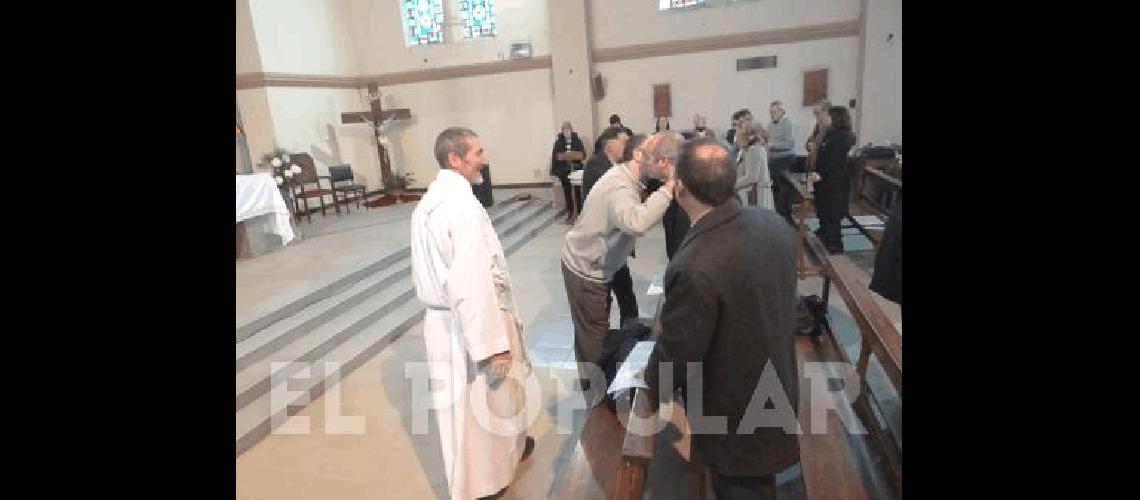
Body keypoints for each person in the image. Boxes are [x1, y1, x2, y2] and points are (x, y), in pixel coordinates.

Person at [645, 138, 801, 500]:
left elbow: (680, 349)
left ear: (679, 187)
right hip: (777, 381)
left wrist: (649, 389)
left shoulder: (695, 262)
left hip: (734, 408)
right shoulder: (773, 224)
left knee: (742, 488)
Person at [410, 127, 535, 500]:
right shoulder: (459, 207)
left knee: (484, 403)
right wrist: (490, 345)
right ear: (455, 159)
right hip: (465, 323)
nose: (485, 158)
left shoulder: (433, 201)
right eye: (477, 152)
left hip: (451, 318)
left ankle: (508, 454)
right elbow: (469, 282)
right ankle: (481, 486)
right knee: (474, 408)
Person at [562, 131, 681, 396]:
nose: (662, 162)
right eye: (656, 155)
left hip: (599, 265)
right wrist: (669, 187)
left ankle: (597, 382)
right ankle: (595, 398)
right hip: (585, 269)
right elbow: (635, 222)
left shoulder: (633, 178)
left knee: (595, 329)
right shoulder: (619, 184)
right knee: (593, 337)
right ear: (639, 155)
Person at [812, 106, 857, 254]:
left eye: (830, 116)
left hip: (834, 182)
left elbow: (834, 161)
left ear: (837, 118)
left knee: (832, 213)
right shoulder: (830, 133)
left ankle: (835, 245)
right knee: (823, 209)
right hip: (823, 180)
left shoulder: (844, 136)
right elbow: (822, 153)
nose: (827, 118)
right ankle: (825, 234)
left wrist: (821, 174)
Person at [766, 100, 796, 226]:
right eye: (771, 112)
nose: (772, 115)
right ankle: (777, 216)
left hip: (785, 160)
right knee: (775, 190)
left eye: (774, 112)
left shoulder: (787, 124)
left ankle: (786, 218)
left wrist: (773, 145)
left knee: (784, 190)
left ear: (782, 112)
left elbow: (789, 144)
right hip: (773, 161)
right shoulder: (770, 125)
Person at [551, 121, 586, 223]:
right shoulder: (558, 142)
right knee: (567, 193)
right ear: (562, 131)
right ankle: (570, 212)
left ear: (571, 129)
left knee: (577, 193)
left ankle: (579, 213)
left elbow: (582, 154)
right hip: (564, 172)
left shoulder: (577, 141)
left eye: (568, 129)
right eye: (564, 129)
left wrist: (576, 156)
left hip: (575, 170)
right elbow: (556, 157)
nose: (566, 131)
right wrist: (556, 171)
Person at [732, 120, 771, 209]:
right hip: (750, 192)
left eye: (737, 135)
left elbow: (751, 177)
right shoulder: (750, 149)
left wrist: (732, 186)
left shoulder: (753, 150)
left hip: (754, 194)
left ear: (746, 136)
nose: (736, 139)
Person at [582, 126, 629, 200]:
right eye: (624, 143)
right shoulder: (594, 164)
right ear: (610, 145)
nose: (627, 147)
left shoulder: (620, 162)